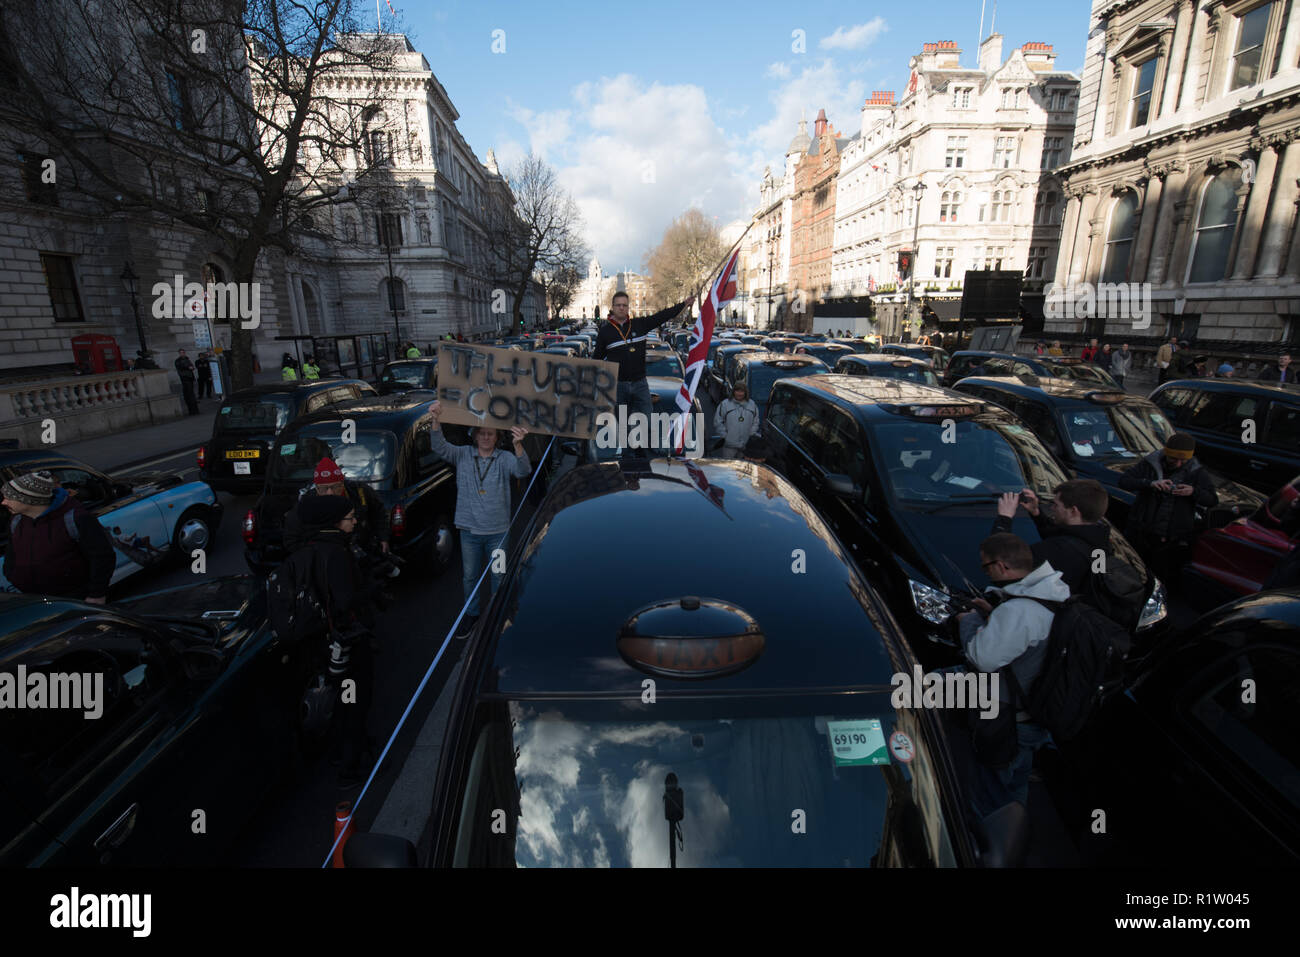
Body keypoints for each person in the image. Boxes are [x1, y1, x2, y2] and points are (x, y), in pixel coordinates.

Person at [956, 533, 1067, 819]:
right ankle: (1016, 827)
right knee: (1016, 785)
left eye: (986, 567)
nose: (986, 573)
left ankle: (995, 844)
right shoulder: (1053, 593)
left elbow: (982, 658)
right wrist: (994, 613)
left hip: (1011, 722)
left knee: (990, 793)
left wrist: (968, 622)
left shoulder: (1020, 611)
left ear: (1002, 567)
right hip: (1037, 713)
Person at [428, 401, 531, 637]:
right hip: (469, 532)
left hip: (498, 533)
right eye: (482, 433)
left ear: (497, 438)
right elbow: (440, 447)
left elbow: (523, 470)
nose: (486, 437)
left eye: (490, 434)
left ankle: (497, 615)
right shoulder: (462, 454)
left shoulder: (505, 458)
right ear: (475, 436)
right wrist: (435, 420)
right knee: (470, 577)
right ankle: (472, 615)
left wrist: (518, 446)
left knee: (499, 576)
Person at [292, 494, 374, 788]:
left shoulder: (307, 547)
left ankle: (344, 752)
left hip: (321, 642)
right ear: (335, 522)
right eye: (350, 518)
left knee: (341, 699)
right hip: (347, 642)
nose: (354, 522)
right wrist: (371, 590)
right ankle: (350, 769)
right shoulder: (336, 553)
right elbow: (346, 600)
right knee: (355, 701)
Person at [1118, 432, 1217, 588]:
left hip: (1172, 538)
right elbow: (1124, 481)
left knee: (1160, 578)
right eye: (1173, 459)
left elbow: (1212, 499)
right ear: (1166, 453)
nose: (1178, 464)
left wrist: (1193, 492)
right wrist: (1150, 483)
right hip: (1142, 532)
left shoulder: (1197, 473)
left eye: (1182, 460)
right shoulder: (1149, 464)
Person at [2, 470, 116, 604]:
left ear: (29, 499)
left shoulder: (76, 518)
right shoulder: (17, 521)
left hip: (73, 598)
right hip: (35, 599)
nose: (3, 502)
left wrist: (97, 595)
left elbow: (102, 557)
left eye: (10, 498)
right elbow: (11, 553)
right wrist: (13, 575)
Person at [593, 291, 692, 433]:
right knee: (623, 425)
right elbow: (596, 360)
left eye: (624, 305)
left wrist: (684, 304)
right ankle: (626, 452)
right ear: (613, 307)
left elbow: (662, 316)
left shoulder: (640, 324)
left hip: (640, 384)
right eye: (618, 305)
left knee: (646, 422)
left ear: (628, 308)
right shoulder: (605, 332)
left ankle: (646, 450)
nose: (621, 308)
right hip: (619, 385)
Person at [284, 457, 390, 560]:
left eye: (335, 487)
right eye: (324, 488)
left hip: (360, 551)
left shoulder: (359, 492)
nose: (330, 492)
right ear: (316, 487)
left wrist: (383, 537)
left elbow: (378, 512)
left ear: (342, 484)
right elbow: (292, 539)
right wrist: (314, 556)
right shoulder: (306, 504)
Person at [713, 383, 759, 459]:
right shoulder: (724, 404)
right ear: (733, 391)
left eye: (742, 391)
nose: (739, 393)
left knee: (742, 469)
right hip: (729, 446)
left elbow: (756, 421)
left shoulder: (752, 404)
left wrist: (751, 433)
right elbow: (718, 421)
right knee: (728, 469)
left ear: (745, 392)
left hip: (745, 445)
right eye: (737, 391)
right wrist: (725, 436)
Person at [175, 348, 200, 414]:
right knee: (188, 394)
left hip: (190, 378)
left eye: (183, 352)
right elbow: (181, 368)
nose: (182, 354)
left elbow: (191, 366)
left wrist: (190, 368)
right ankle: (192, 410)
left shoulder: (187, 359)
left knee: (191, 394)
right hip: (185, 378)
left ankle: (194, 410)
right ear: (179, 353)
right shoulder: (178, 361)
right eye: (181, 353)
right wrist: (188, 367)